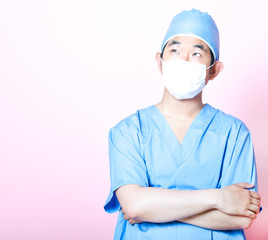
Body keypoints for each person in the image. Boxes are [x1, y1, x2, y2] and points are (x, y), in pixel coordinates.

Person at [104, 9, 261, 240]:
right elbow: (134, 205)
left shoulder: (234, 133)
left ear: (213, 71)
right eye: (175, 50)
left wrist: (154, 208)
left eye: (197, 54)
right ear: (160, 61)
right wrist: (219, 198)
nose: (184, 60)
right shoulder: (128, 131)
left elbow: (242, 217)